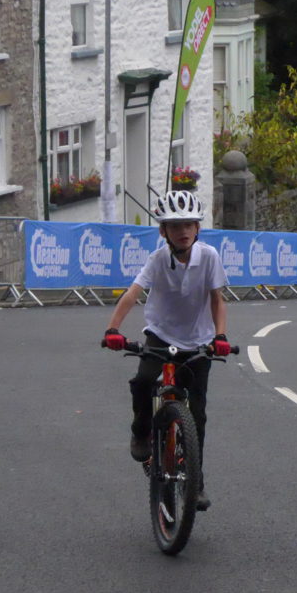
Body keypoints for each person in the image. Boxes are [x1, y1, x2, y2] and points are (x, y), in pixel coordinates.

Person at [102, 190, 230, 511]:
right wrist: (113, 329)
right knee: (144, 381)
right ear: (163, 231)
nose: (183, 231)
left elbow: (217, 300)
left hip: (198, 340)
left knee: (197, 414)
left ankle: (196, 483)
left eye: (189, 224)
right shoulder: (158, 260)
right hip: (161, 335)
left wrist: (221, 336)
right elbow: (133, 293)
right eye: (174, 226)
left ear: (198, 228)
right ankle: (141, 432)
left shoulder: (210, 257)